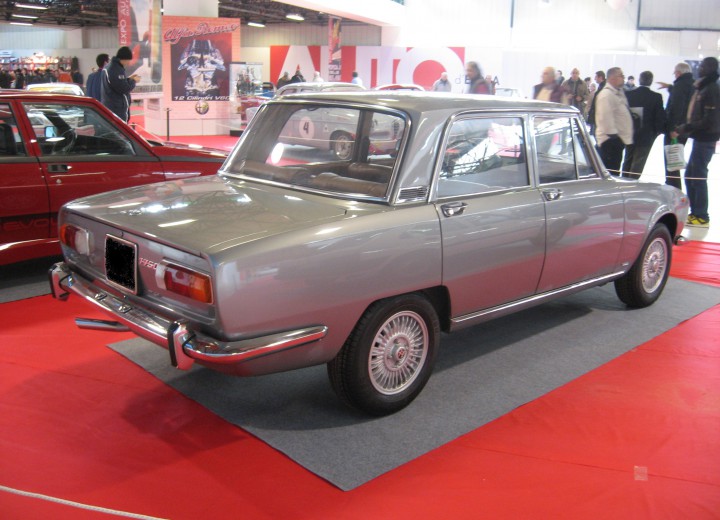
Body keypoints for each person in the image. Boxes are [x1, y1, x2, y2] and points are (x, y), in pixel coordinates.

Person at [671, 57, 720, 228]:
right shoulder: (703, 86)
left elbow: (710, 119)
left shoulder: (711, 89)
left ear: (711, 68)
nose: (699, 68)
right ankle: (695, 212)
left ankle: (701, 214)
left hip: (706, 138)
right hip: (700, 137)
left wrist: (687, 127)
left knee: (698, 176)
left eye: (703, 66)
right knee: (691, 174)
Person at [621, 70, 665, 178]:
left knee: (627, 159)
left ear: (639, 80)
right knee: (638, 163)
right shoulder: (656, 97)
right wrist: (657, 132)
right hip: (646, 135)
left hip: (630, 133)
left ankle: (624, 180)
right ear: (651, 81)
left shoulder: (629, 95)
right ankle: (632, 183)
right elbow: (659, 117)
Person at [658, 62, 694, 189]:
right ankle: (675, 186)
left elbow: (676, 108)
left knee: (671, 159)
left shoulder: (680, 85)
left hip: (676, 129)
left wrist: (673, 128)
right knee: (676, 158)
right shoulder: (692, 84)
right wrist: (669, 87)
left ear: (678, 73)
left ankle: (673, 187)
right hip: (686, 128)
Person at [595, 67, 633, 173]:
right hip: (609, 142)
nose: (623, 78)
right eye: (621, 76)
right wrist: (615, 138)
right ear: (612, 78)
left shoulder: (617, 93)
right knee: (610, 172)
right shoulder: (606, 95)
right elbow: (605, 119)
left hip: (615, 142)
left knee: (615, 170)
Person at [101, 46, 139, 123]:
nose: (128, 63)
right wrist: (134, 81)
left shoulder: (109, 67)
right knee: (119, 129)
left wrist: (128, 79)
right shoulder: (115, 69)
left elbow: (117, 83)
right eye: (128, 61)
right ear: (125, 59)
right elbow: (123, 88)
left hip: (111, 106)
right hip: (116, 109)